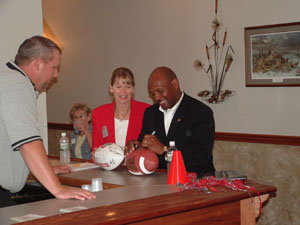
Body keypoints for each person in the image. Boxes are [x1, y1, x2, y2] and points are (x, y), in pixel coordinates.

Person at [0, 36, 95, 208]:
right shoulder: (17, 85)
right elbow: (28, 143)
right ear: (37, 64)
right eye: (54, 68)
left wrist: (46, 171)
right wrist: (58, 189)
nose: (55, 75)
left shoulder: (6, 78)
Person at [126, 66, 215, 178]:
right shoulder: (150, 113)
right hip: (158, 181)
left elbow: (200, 158)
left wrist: (164, 150)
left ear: (175, 84)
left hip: (194, 183)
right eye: (152, 94)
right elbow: (144, 146)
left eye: (160, 91)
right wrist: (136, 147)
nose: (157, 97)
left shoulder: (200, 112)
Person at [92, 67, 150, 151]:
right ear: (111, 88)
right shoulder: (98, 114)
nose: (123, 91)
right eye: (118, 87)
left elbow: (149, 149)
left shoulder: (146, 111)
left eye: (128, 87)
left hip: (136, 163)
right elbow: (96, 150)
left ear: (133, 89)